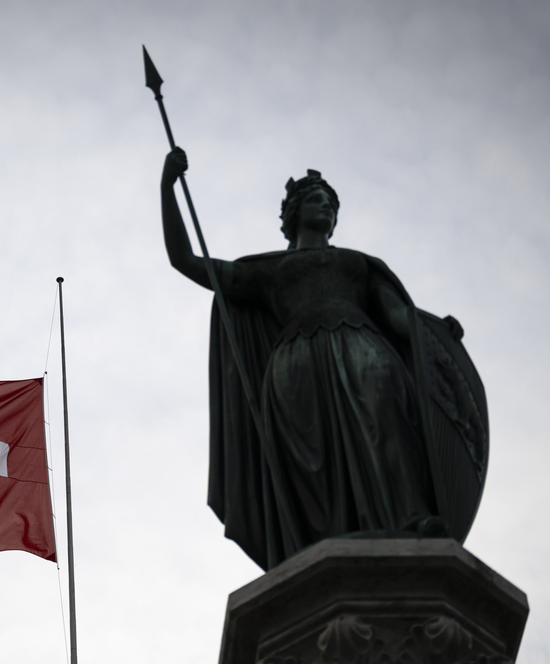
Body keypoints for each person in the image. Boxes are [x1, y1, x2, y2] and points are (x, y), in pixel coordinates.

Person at [161, 147, 450, 570]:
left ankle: (409, 515)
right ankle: (321, 541)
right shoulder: (268, 270)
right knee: (312, 462)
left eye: (332, 203)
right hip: (295, 364)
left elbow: (396, 316)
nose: (327, 207)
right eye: (317, 199)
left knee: (387, 415)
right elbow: (185, 261)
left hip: (362, 346)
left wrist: (434, 332)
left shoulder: (358, 264)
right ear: (294, 212)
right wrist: (167, 187)